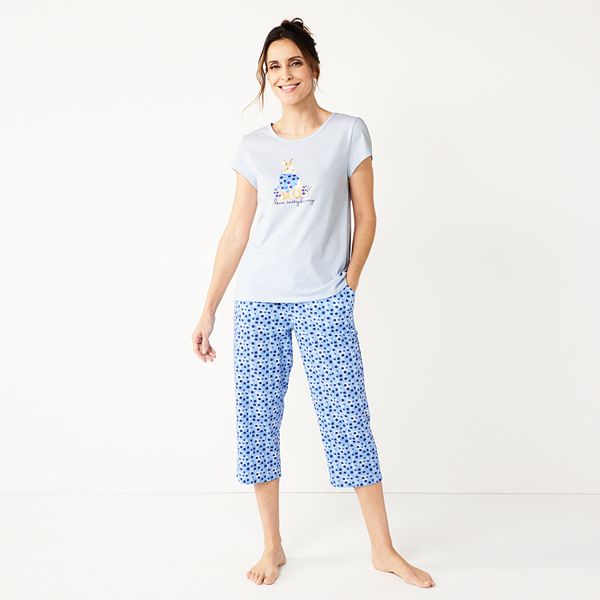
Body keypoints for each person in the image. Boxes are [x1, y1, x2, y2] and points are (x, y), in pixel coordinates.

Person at [192, 17, 435, 589]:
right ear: (265, 77)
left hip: (325, 300)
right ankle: (272, 546)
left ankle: (383, 549)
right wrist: (209, 308)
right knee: (257, 421)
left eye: (294, 62)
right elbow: (236, 233)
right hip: (259, 303)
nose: (285, 74)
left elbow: (366, 216)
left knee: (348, 419)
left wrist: (348, 283)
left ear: (314, 68)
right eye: (273, 66)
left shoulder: (348, 132)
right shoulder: (253, 147)